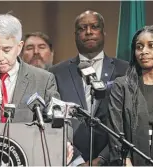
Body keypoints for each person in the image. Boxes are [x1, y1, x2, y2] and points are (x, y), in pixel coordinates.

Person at [0, 13, 75, 165]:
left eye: (7, 49)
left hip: (27, 158)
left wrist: (64, 141)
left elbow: (59, 119)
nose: (0, 57)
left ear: (19, 47)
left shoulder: (42, 79)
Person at [49, 10, 129, 165]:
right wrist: (76, 159)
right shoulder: (56, 72)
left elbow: (128, 120)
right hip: (70, 160)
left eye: (94, 27)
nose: (89, 32)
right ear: (75, 35)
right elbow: (53, 119)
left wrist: (102, 159)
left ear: (104, 32)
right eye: (82, 28)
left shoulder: (124, 70)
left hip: (112, 158)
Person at [108, 25, 153, 166]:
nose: (144, 51)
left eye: (151, 45)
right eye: (139, 47)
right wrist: (125, 161)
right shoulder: (121, 86)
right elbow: (115, 131)